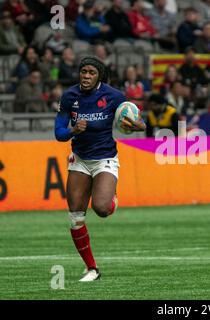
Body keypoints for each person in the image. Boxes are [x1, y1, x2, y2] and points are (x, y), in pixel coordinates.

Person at [54, 56, 145, 282]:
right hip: (80, 159)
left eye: (91, 73)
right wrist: (73, 131)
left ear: (99, 76)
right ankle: (92, 268)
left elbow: (139, 123)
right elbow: (58, 133)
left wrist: (137, 126)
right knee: (75, 217)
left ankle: (111, 196)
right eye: (83, 72)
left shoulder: (114, 97)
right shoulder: (69, 97)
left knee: (102, 208)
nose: (86, 76)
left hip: (105, 158)